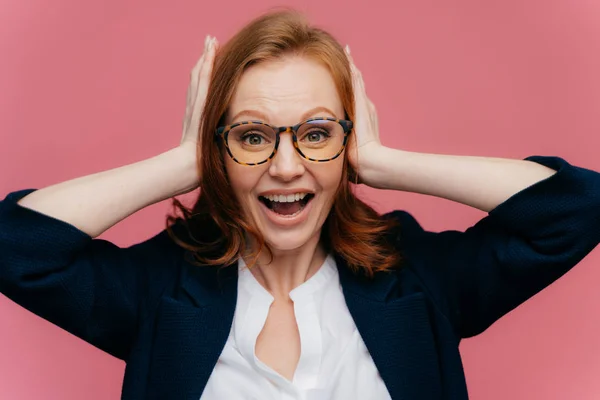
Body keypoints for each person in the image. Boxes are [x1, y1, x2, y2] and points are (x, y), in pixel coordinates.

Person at [0, 9, 598, 400]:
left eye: (315, 133)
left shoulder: (419, 278)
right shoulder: (159, 290)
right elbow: (14, 247)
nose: (286, 167)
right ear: (222, 148)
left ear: (347, 142)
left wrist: (386, 162)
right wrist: (183, 163)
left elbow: (579, 206)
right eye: (253, 136)